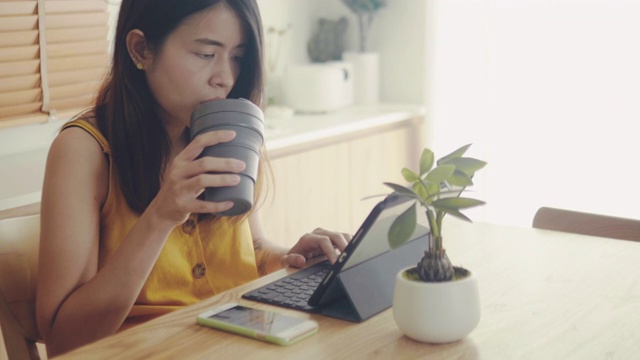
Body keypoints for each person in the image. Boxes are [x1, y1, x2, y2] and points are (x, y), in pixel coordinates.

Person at [35, 0, 350, 356]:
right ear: (141, 49)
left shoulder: (223, 131)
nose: (226, 78)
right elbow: (64, 340)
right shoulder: (84, 151)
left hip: (236, 344)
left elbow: (254, 248)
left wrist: (288, 259)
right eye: (205, 54)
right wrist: (161, 217)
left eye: (237, 57)